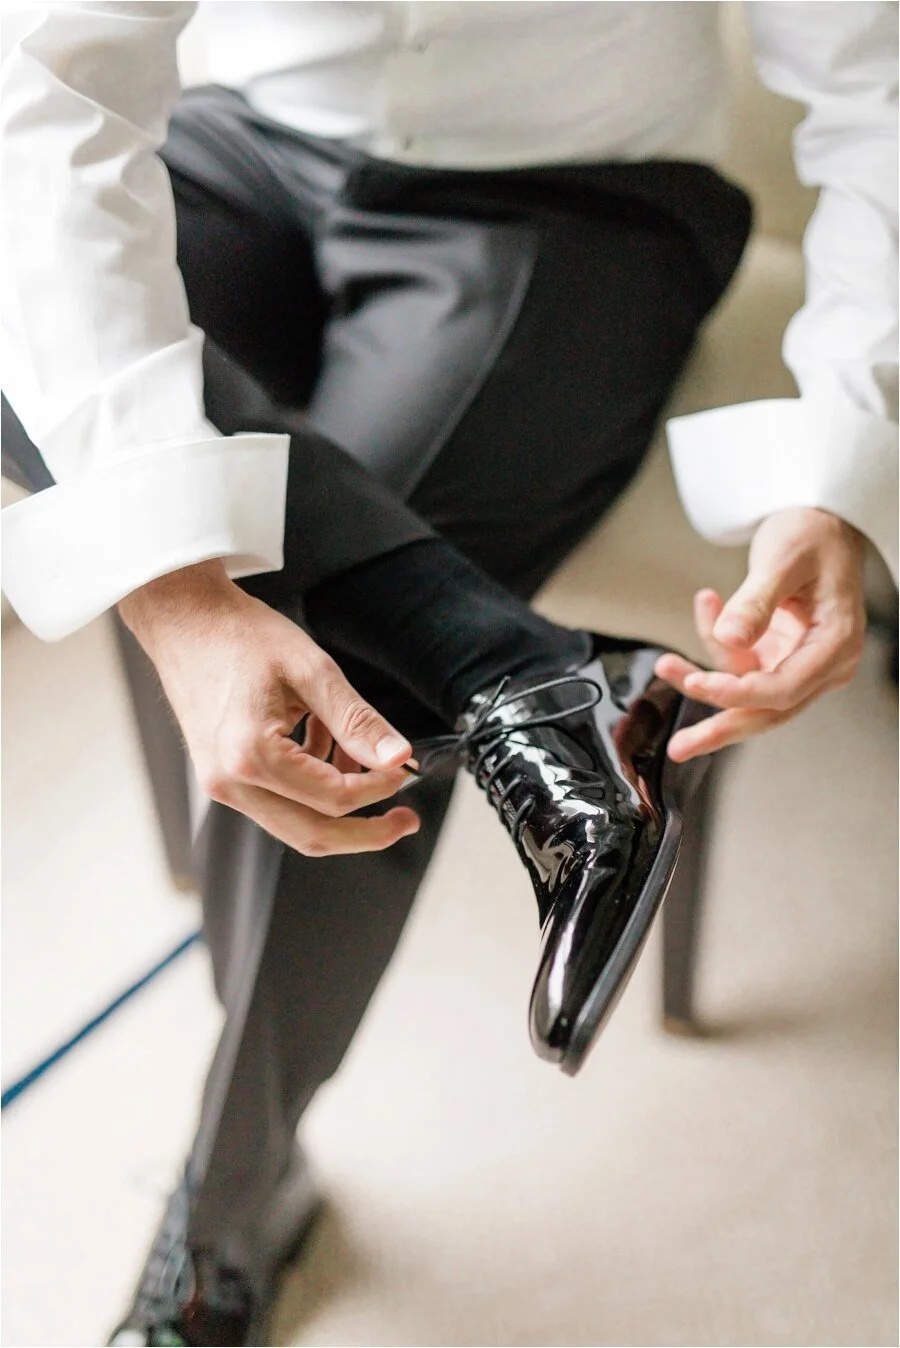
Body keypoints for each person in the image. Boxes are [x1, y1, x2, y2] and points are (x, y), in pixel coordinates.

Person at [1, 3, 895, 1343]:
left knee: (335, 707)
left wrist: (844, 459)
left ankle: (236, 1194)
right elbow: (47, 71)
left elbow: (883, 85)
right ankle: (518, 673)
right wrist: (175, 594)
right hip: (248, 140)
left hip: (570, 197)